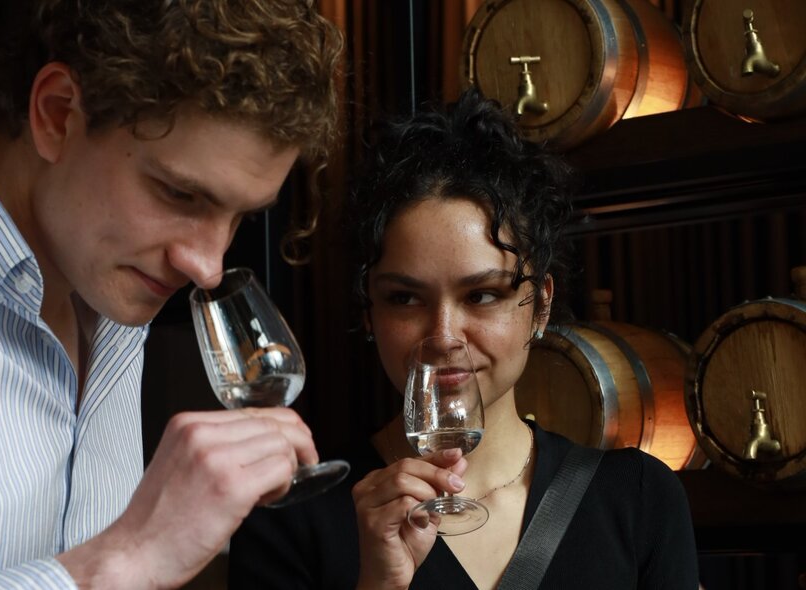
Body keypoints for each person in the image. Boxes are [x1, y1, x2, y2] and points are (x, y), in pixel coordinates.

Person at [0, 0, 342, 588]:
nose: (207, 267)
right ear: (57, 114)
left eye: (241, 217)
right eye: (178, 194)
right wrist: (130, 556)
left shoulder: (110, 295)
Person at [227, 89, 700, 589]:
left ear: (540, 305)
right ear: (369, 311)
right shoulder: (290, 520)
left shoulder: (639, 498)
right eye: (405, 298)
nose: (444, 336)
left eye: (482, 295)